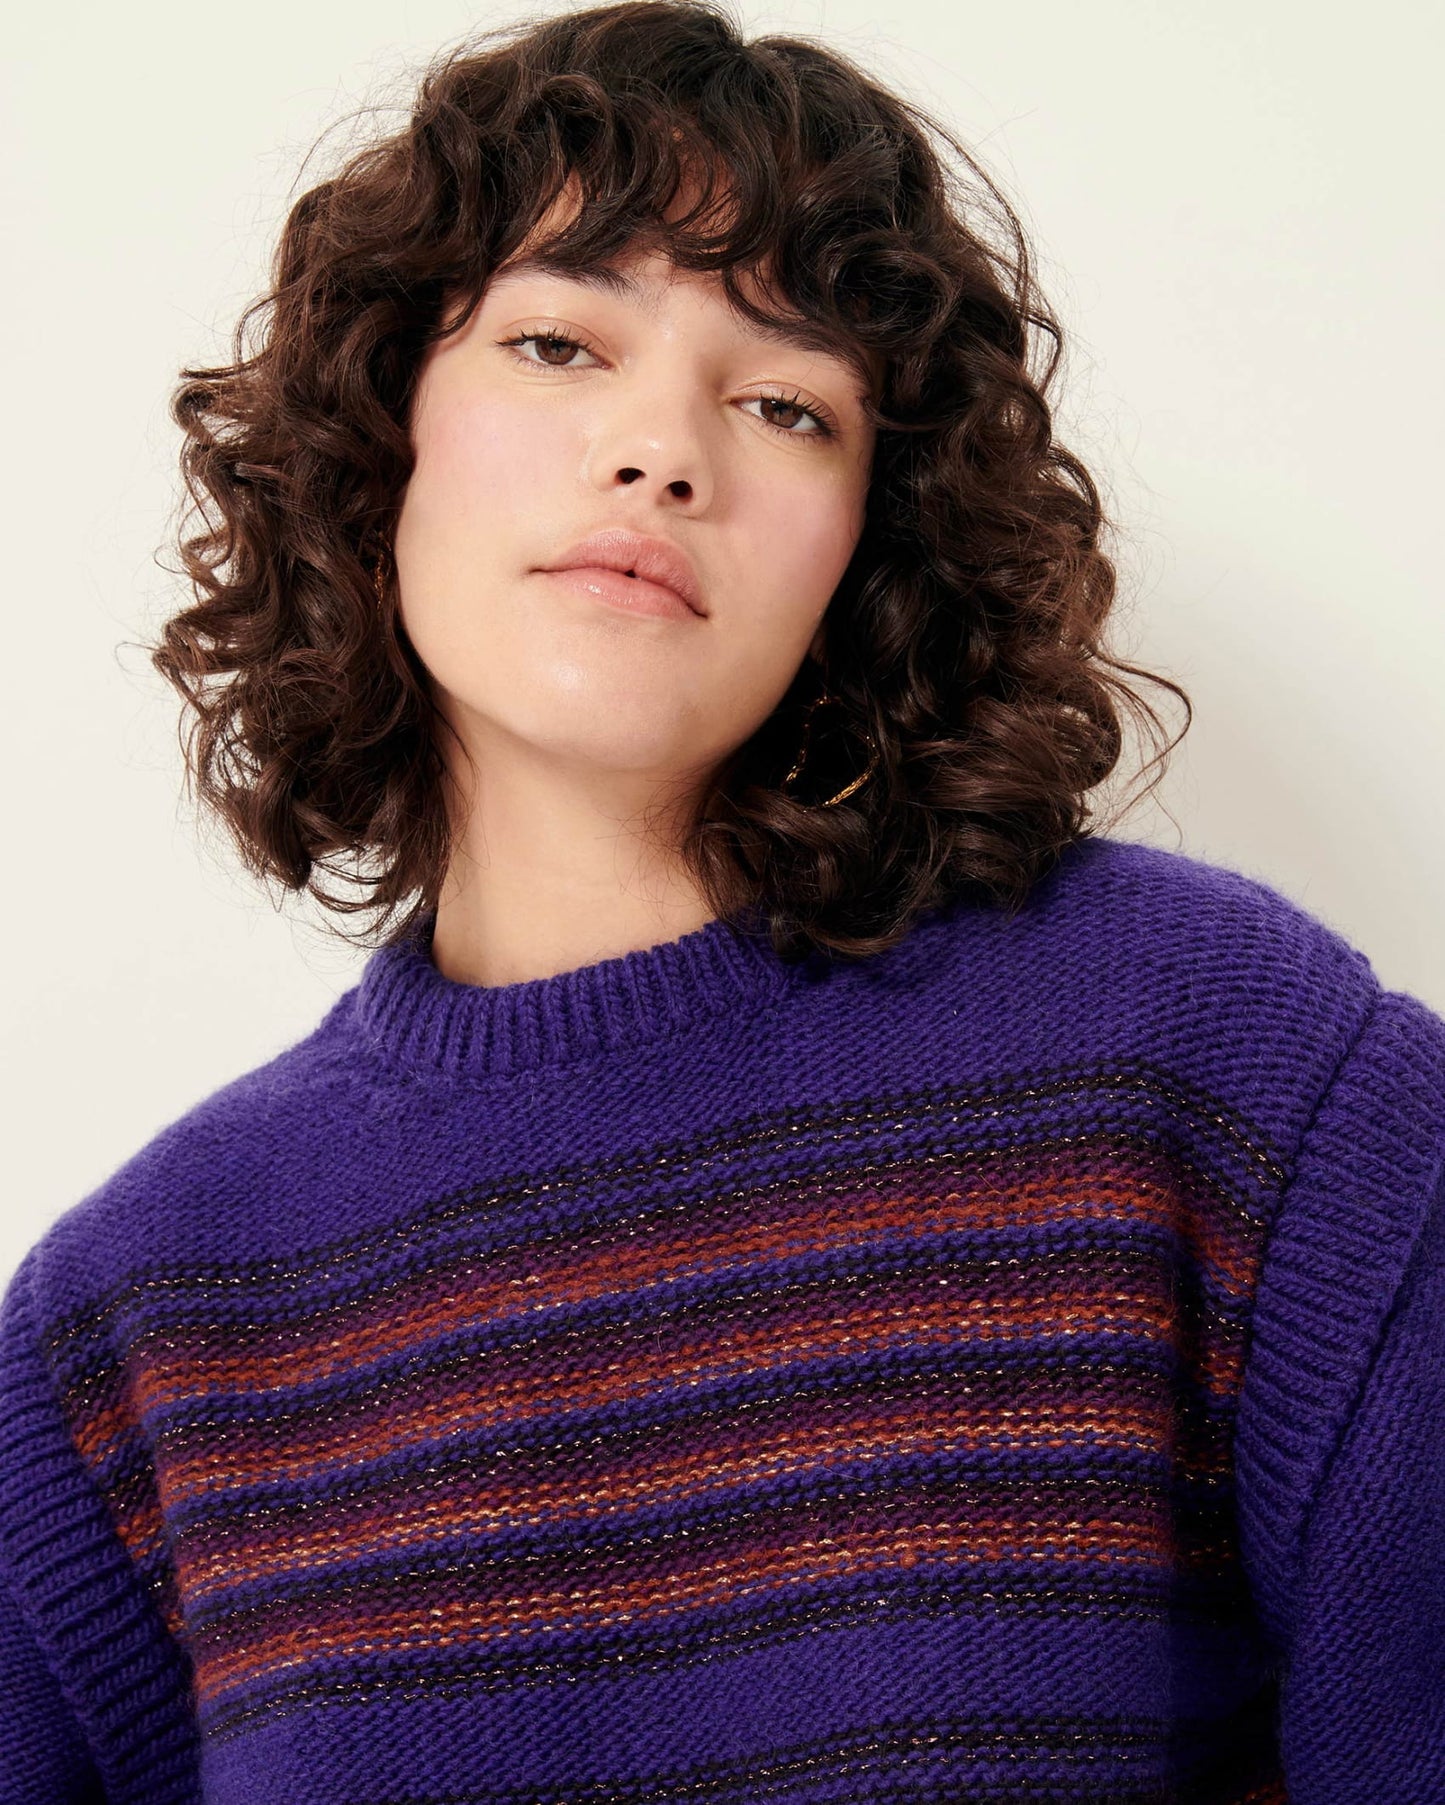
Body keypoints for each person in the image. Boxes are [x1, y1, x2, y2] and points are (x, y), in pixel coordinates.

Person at [2, 2, 1441, 1799]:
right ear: (381, 442)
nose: (662, 450)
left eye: (784, 404)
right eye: (556, 342)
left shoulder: (1233, 1072)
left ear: (867, 546)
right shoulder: (133, 1329)